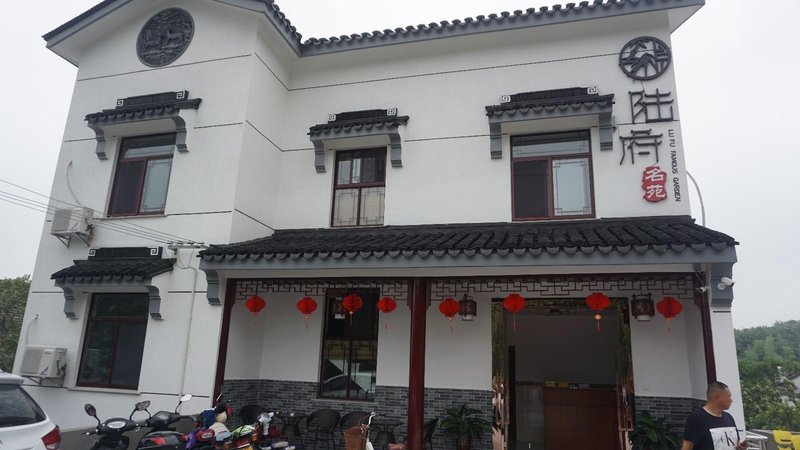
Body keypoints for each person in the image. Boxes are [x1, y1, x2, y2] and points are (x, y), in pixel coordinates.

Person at [682, 381, 747, 450]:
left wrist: (740, 447)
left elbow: (735, 444)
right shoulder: (697, 419)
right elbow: (687, 447)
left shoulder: (729, 417)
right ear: (718, 397)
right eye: (729, 396)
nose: (731, 400)